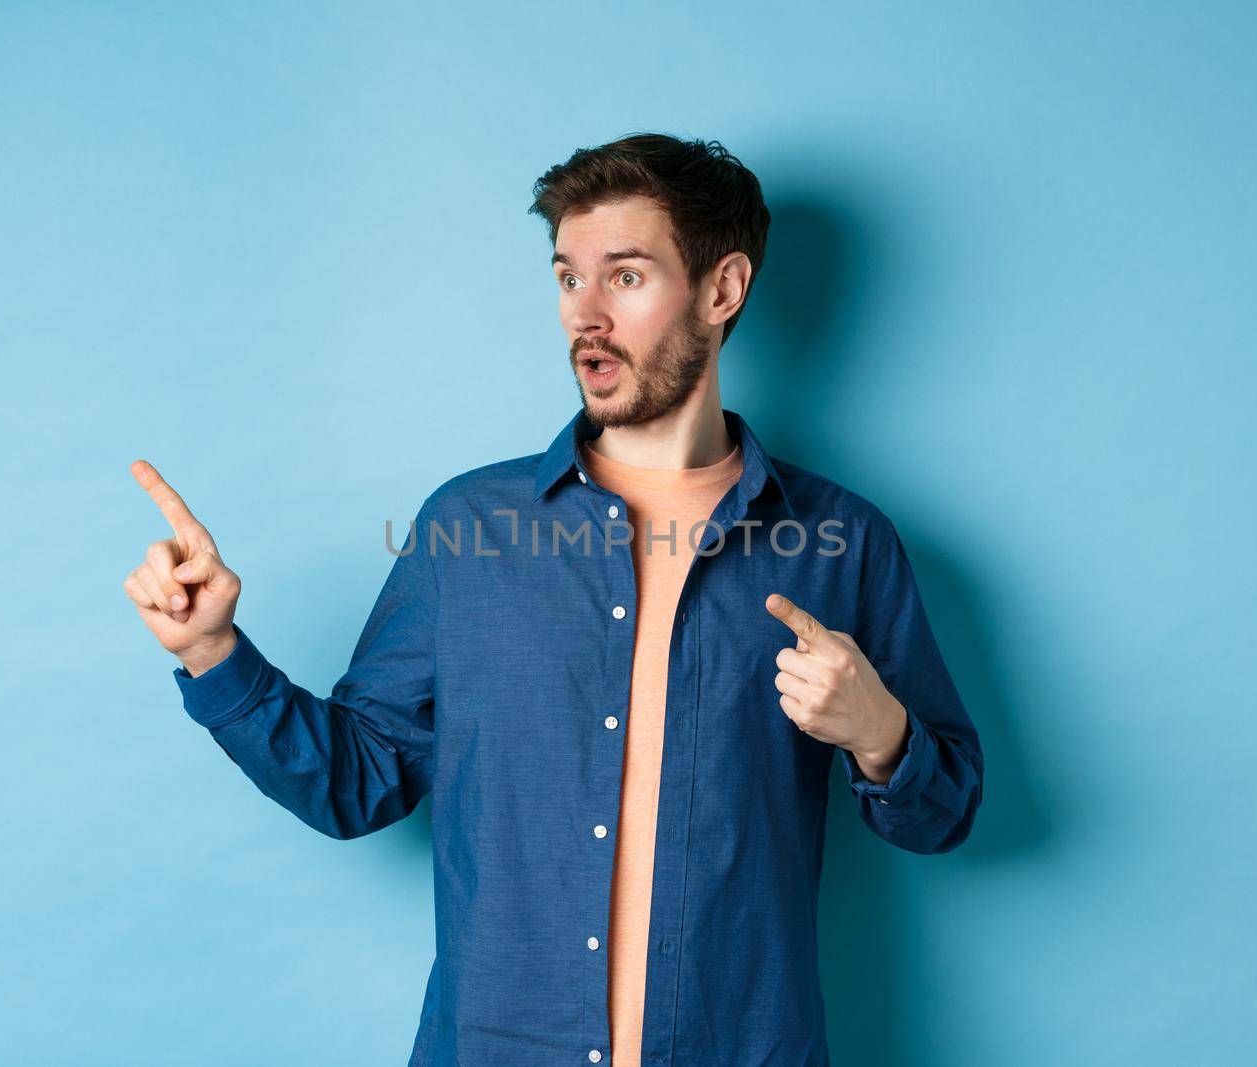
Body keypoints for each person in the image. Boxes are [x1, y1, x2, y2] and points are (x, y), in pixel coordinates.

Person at [123, 132, 983, 1067]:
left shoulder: (842, 542)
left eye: (625, 276)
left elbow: (942, 815)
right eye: (569, 277)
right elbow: (355, 782)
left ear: (722, 290)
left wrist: (879, 731)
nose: (587, 316)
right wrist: (211, 652)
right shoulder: (467, 529)